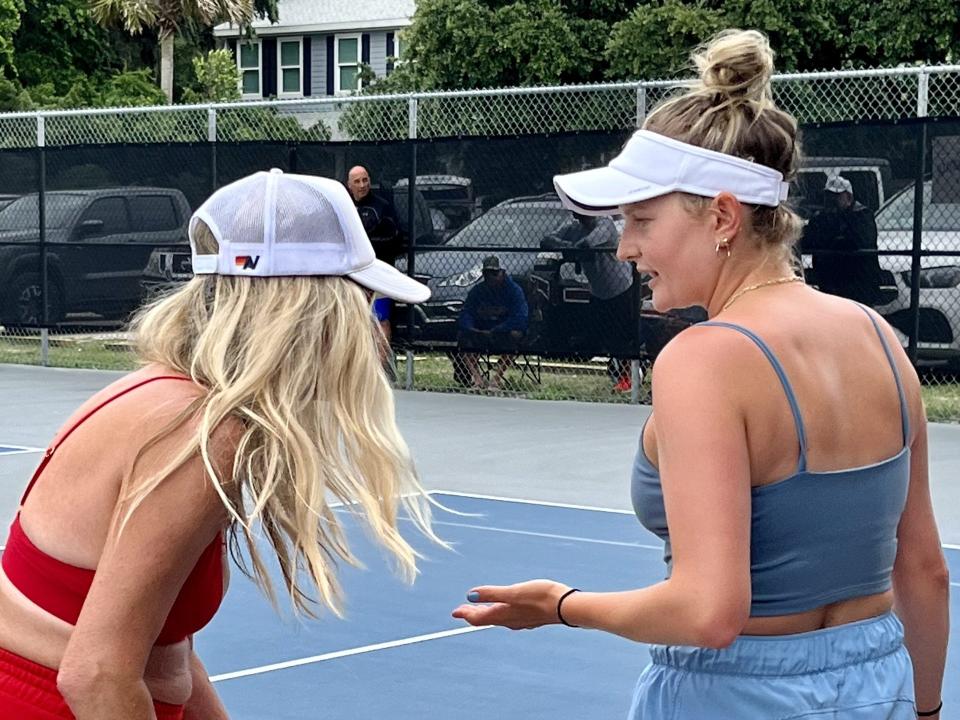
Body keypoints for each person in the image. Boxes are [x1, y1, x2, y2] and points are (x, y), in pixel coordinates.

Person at [453, 29, 948, 719]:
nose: (625, 248)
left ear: (721, 215)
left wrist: (560, 607)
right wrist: (923, 711)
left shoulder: (703, 359)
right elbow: (924, 571)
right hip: (879, 689)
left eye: (641, 220)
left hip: (733, 694)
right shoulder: (880, 339)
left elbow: (708, 612)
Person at [0, 169, 439, 719]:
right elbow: (95, 677)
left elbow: (163, 648)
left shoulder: (163, 394)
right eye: (364, 306)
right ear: (312, 313)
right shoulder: (204, 437)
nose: (371, 330)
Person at [541, 212, 638, 391]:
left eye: (585, 213)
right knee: (604, 337)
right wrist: (567, 245)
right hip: (597, 291)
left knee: (623, 336)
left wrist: (573, 249)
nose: (581, 217)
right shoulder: (574, 227)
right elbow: (546, 240)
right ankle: (620, 374)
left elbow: (587, 244)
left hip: (621, 288)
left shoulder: (605, 224)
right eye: (578, 213)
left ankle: (630, 378)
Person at [803, 174, 884, 304]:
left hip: (858, 281)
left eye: (837, 196)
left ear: (849, 197)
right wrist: (836, 238)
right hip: (829, 280)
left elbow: (858, 242)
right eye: (829, 196)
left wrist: (831, 240)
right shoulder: (821, 218)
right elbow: (809, 240)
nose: (832, 200)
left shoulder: (862, 215)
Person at [347, 165, 404, 351]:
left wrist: (368, 246)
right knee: (353, 319)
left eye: (365, 180)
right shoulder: (345, 207)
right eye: (357, 181)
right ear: (349, 185)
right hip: (352, 275)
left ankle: (380, 367)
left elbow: (395, 238)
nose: (362, 185)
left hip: (379, 274)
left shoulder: (382, 206)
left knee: (381, 319)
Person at [457, 255, 529, 390]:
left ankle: (496, 379)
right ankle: (477, 379)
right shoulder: (477, 291)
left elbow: (520, 318)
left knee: (515, 335)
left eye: (495, 273)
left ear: (503, 273)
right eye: (487, 273)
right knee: (464, 338)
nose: (491, 277)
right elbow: (466, 313)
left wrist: (498, 329)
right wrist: (472, 329)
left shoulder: (514, 291)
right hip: (481, 332)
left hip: (502, 333)